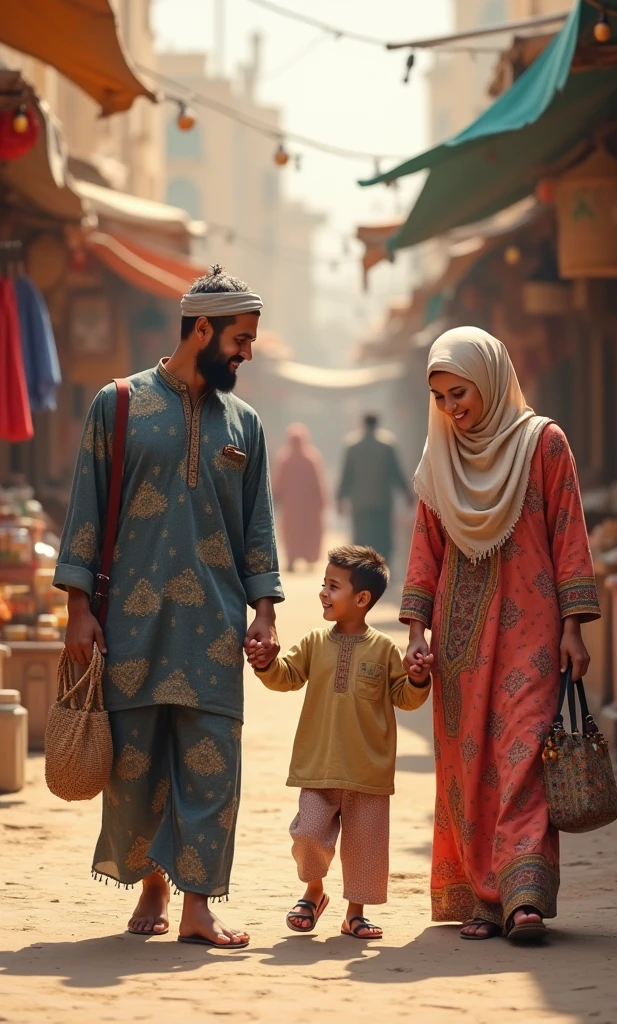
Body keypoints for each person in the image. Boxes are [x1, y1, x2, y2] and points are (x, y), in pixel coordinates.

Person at [53, 265, 283, 950]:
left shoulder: (245, 423)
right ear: (202, 329)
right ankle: (153, 880)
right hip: (132, 622)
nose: (246, 352)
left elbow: (258, 524)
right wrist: (76, 610)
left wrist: (265, 610)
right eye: (240, 338)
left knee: (214, 761)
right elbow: (86, 510)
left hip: (215, 627)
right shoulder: (117, 403)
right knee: (135, 764)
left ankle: (199, 906)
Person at [400, 327, 600, 944]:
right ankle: (482, 901)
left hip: (533, 633)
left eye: (460, 393)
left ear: (488, 379)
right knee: (470, 765)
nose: (452, 408)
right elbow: (425, 551)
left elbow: (568, 533)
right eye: (440, 398)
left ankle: (524, 897)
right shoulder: (440, 462)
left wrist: (574, 628)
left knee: (523, 758)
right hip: (458, 640)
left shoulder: (544, 444)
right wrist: (414, 633)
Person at [247, 545, 432, 940]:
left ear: (362, 599)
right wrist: (266, 663)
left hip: (368, 771)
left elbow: (405, 697)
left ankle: (355, 914)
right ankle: (314, 891)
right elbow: (287, 676)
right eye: (323, 584)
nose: (323, 593)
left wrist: (417, 678)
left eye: (334, 586)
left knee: (365, 849)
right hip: (318, 766)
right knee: (308, 835)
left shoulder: (383, 650)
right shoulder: (314, 641)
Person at [336, 414, 412, 566]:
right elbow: (396, 473)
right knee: (382, 537)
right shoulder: (387, 445)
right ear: (377, 424)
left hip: (360, 503)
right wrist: (407, 493)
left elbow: (346, 475)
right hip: (381, 501)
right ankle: (382, 568)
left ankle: (362, 568)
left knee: (362, 536)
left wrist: (340, 498)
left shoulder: (352, 446)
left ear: (363, 424)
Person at [272, 423, 328, 572]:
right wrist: (323, 501)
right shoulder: (312, 458)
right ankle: (309, 557)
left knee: (291, 532)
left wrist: (274, 498)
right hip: (309, 506)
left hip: (291, 506)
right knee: (309, 531)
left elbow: (278, 482)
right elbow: (318, 482)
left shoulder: (285, 458)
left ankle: (292, 559)